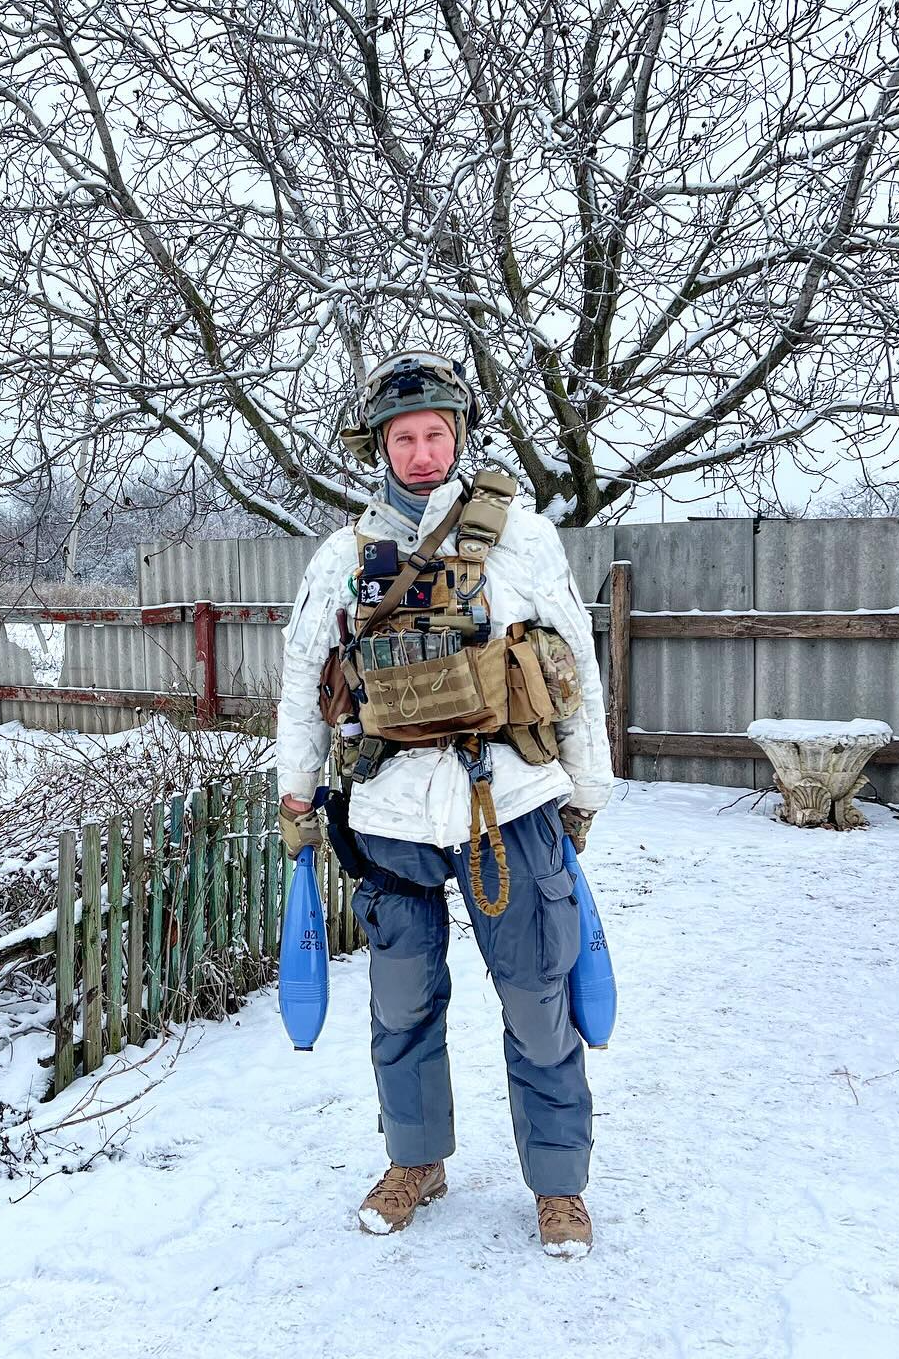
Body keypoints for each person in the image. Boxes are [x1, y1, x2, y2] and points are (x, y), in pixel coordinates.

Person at [275, 351, 614, 1257]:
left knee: (539, 998)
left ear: (458, 438)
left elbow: (572, 666)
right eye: (404, 437)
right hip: (387, 817)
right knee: (400, 1003)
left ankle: (557, 1185)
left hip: (508, 805)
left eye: (435, 435)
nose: (421, 452)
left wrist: (587, 789)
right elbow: (304, 681)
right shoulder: (343, 558)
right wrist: (297, 796)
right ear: (380, 447)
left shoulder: (525, 540)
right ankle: (416, 1160)